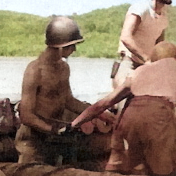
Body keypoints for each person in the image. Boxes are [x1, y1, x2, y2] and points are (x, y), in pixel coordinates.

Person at [73, 41, 176, 176]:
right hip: (158, 116)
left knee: (125, 171)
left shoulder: (139, 71)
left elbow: (104, 103)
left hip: (129, 117)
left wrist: (74, 124)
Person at [15, 16, 113, 165]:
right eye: (72, 45)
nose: (74, 50)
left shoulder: (63, 67)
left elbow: (68, 101)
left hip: (53, 139)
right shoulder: (34, 70)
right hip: (32, 142)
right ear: (61, 46)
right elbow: (26, 115)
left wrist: (99, 112)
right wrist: (54, 129)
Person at [111, 0, 176, 92]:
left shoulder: (163, 16)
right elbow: (126, 37)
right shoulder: (140, 8)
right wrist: (146, 59)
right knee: (124, 99)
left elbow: (159, 45)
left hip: (147, 66)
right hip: (130, 63)